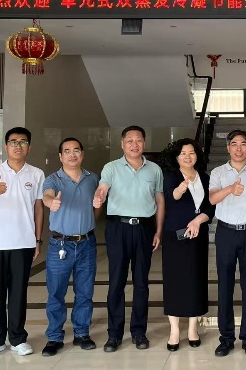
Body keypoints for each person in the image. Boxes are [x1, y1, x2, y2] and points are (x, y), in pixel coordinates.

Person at [93, 125, 164, 352]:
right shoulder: (111, 167)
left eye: (139, 140)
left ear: (144, 143)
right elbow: (103, 187)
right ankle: (114, 334)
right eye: (130, 140)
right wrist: (99, 195)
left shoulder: (154, 169)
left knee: (141, 283)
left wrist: (158, 231)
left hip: (144, 228)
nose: (135, 144)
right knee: (117, 282)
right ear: (122, 144)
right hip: (118, 228)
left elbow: (160, 201)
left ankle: (139, 332)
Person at [0, 127, 44, 359]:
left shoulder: (36, 174)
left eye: (23, 142)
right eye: (13, 142)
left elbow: (38, 208)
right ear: (6, 146)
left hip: (23, 242)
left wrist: (37, 239)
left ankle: (17, 339)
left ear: (29, 148)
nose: (17, 146)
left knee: (18, 292)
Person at [209, 130, 246, 357]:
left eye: (243, 144)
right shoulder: (218, 172)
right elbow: (212, 199)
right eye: (234, 144)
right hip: (225, 233)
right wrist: (230, 189)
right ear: (228, 147)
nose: (238, 148)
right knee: (224, 287)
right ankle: (226, 338)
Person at [41, 138, 100, 357]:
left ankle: (82, 333)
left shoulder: (93, 178)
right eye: (67, 151)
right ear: (60, 156)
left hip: (87, 243)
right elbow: (47, 196)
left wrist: (92, 217)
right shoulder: (53, 179)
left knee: (85, 292)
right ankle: (54, 337)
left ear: (82, 154)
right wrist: (51, 202)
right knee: (56, 293)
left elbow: (97, 204)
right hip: (60, 245)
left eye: (76, 150)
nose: (72, 154)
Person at [162, 138, 214, 352]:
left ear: (197, 155)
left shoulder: (205, 177)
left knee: (196, 279)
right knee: (174, 281)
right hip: (175, 236)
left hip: (198, 235)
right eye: (183, 153)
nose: (187, 156)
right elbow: (171, 197)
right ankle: (174, 330)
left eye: (191, 152)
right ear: (176, 157)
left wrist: (199, 220)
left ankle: (193, 328)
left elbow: (210, 206)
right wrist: (181, 188)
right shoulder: (170, 177)